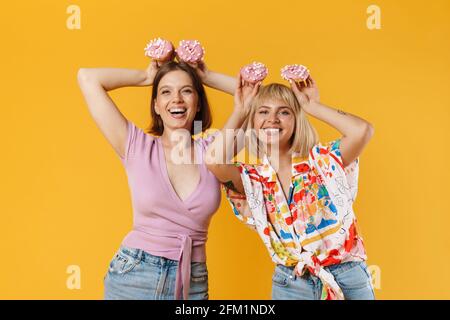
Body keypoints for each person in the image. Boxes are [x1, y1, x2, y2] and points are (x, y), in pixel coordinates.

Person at [206, 70, 375, 300]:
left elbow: (362, 131)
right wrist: (241, 110)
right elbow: (213, 160)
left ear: (296, 120)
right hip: (291, 283)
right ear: (253, 122)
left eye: (283, 112)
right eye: (263, 112)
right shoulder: (252, 179)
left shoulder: (323, 160)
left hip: (347, 276)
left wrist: (312, 106)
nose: (272, 119)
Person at [77, 57, 236, 300]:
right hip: (133, 275)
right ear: (156, 105)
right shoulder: (136, 145)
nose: (176, 99)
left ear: (198, 103)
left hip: (191, 281)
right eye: (166, 92)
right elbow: (87, 77)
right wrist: (144, 77)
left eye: (186, 91)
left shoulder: (213, 151)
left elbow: (262, 100)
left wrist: (206, 76)